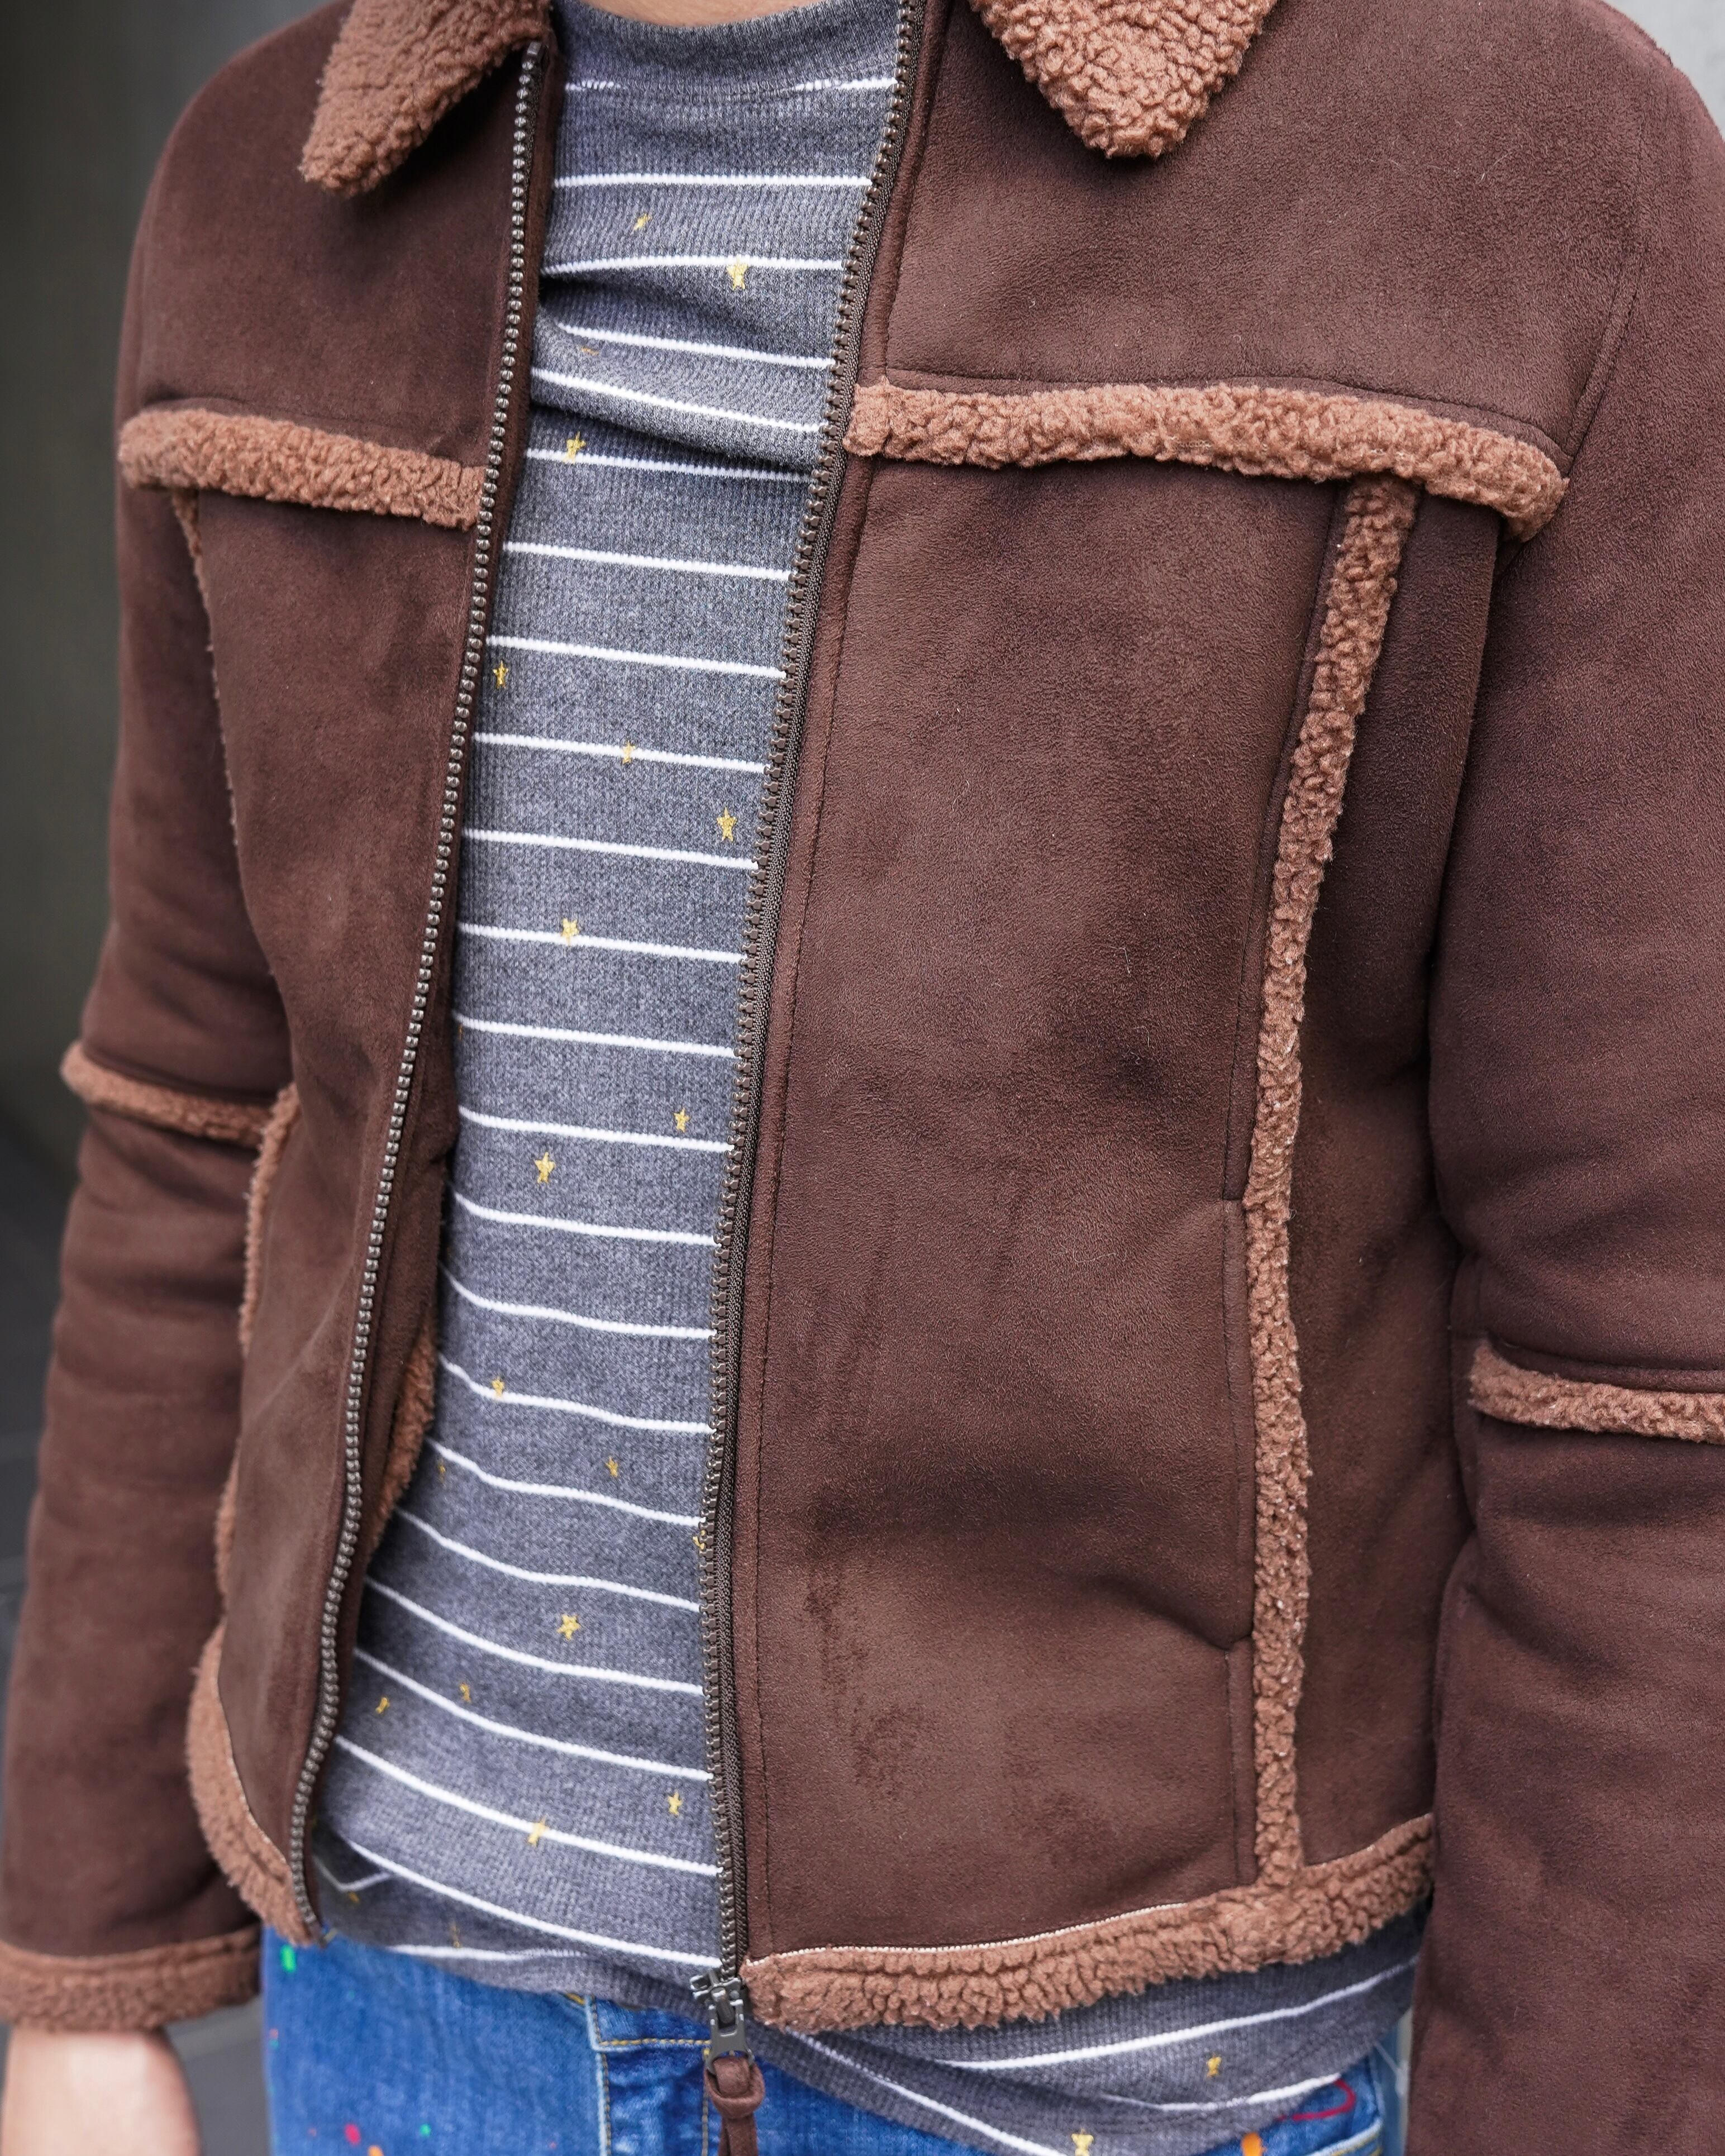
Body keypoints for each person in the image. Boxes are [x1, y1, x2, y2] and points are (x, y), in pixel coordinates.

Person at [3, 0, 1724, 2146]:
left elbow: (1649, 1357)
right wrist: (77, 1975)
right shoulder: (261, 189)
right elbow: (203, 1120)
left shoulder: (1522, 164)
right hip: (413, 2021)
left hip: (1140, 2086)